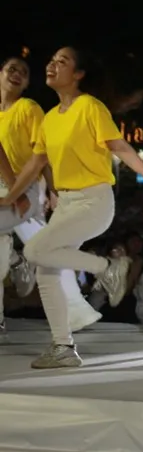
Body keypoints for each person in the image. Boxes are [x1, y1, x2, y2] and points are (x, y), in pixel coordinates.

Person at [0, 47, 143, 368]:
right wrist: (11, 197)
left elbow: (119, 146)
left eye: (62, 61)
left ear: (78, 75)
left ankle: (108, 267)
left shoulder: (90, 106)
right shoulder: (50, 118)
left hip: (94, 200)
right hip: (66, 204)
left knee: (34, 250)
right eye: (51, 60)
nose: (52, 65)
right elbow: (35, 163)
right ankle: (63, 347)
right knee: (46, 269)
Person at [0, 57, 102, 337]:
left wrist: (53, 190)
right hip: (7, 189)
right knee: (45, 250)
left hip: (25, 188)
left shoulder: (28, 108)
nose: (17, 74)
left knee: (46, 248)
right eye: (11, 69)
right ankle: (75, 310)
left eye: (23, 72)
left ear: (27, 83)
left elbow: (43, 154)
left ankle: (19, 263)